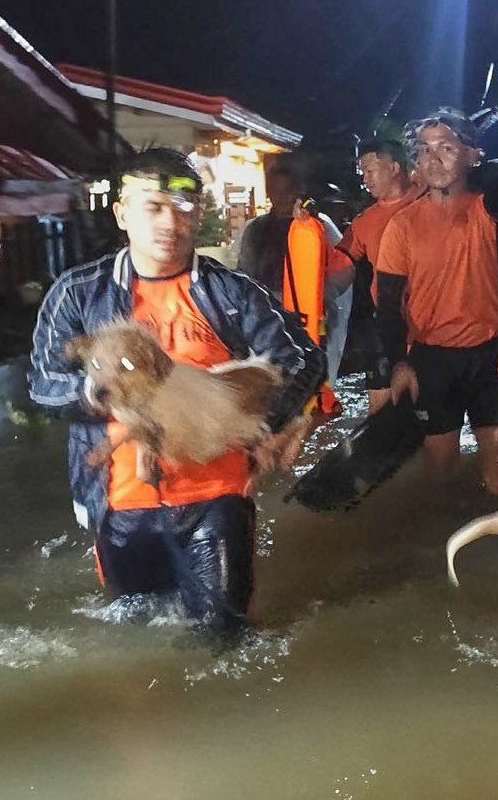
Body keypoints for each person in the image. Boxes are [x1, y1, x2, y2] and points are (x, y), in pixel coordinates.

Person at [28, 148, 325, 636]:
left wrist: (267, 429)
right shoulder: (77, 293)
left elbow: (303, 358)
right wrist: (109, 394)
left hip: (217, 494)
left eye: (183, 207)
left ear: (199, 215)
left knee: (225, 642)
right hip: (119, 505)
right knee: (135, 636)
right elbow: (42, 386)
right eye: (153, 206)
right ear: (122, 214)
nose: (170, 221)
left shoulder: (232, 292)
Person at [375, 109, 498, 497]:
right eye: (424, 150)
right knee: (441, 471)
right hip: (432, 360)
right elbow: (387, 304)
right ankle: (441, 547)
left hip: (493, 356)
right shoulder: (402, 226)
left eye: (447, 148)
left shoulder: (497, 211)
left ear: (473, 156)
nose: (434, 159)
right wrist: (398, 363)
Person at [231, 161, 352, 414]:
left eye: (288, 190)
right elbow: (244, 274)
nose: (282, 197)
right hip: (268, 322)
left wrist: (319, 297)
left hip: (312, 319)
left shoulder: (318, 225)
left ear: (298, 189)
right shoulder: (256, 230)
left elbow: (345, 269)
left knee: (314, 388)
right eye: (275, 191)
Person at [338, 138, 426, 414]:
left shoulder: (430, 200)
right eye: (361, 172)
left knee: (433, 415)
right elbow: (340, 262)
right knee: (381, 414)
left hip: (433, 324)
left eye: (370, 171)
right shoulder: (363, 222)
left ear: (394, 167)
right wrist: (307, 234)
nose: (364, 179)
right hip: (389, 324)